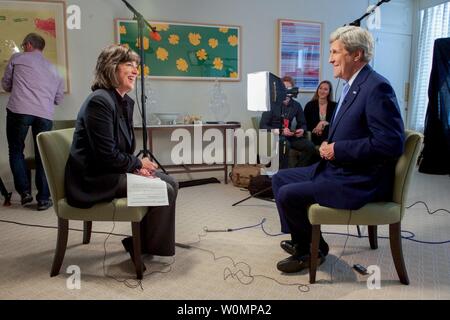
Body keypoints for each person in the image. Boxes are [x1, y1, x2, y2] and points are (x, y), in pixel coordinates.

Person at [272, 26, 405, 273]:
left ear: (357, 54)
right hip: (338, 168)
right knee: (279, 178)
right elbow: (354, 129)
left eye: (335, 52)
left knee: (289, 194)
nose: (331, 59)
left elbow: (390, 142)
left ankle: (308, 252)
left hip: (359, 179)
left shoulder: (377, 87)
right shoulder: (351, 85)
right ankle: (309, 243)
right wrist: (328, 145)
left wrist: (339, 149)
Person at [64, 44, 178, 267]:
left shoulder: (121, 101)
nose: (136, 70)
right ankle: (144, 245)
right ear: (111, 67)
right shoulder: (100, 101)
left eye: (137, 66)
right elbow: (106, 156)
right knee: (163, 188)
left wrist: (136, 168)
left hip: (109, 171)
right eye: (129, 65)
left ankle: (144, 243)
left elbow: (119, 150)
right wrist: (137, 163)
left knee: (171, 182)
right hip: (92, 179)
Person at [1, 33, 64, 211]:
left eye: (23, 45)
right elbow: (58, 99)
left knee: (15, 150)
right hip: (44, 114)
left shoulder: (17, 58)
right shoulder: (54, 69)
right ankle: (44, 199)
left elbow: (6, 85)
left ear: (28, 45)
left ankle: (25, 192)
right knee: (42, 154)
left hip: (19, 110)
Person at [260, 76, 317, 169]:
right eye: (283, 88)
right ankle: (282, 173)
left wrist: (302, 130)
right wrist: (280, 131)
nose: (286, 91)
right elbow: (263, 125)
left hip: (289, 136)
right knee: (284, 143)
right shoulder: (271, 104)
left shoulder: (296, 106)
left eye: (288, 88)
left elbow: (302, 123)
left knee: (309, 146)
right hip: (274, 136)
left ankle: (297, 171)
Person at [304, 80, 337, 146]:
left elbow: (337, 123)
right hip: (314, 135)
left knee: (327, 128)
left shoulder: (334, 106)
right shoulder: (310, 105)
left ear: (329, 92)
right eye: (320, 88)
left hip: (329, 136)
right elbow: (304, 123)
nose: (322, 91)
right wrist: (314, 129)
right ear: (317, 90)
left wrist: (324, 123)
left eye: (325, 89)